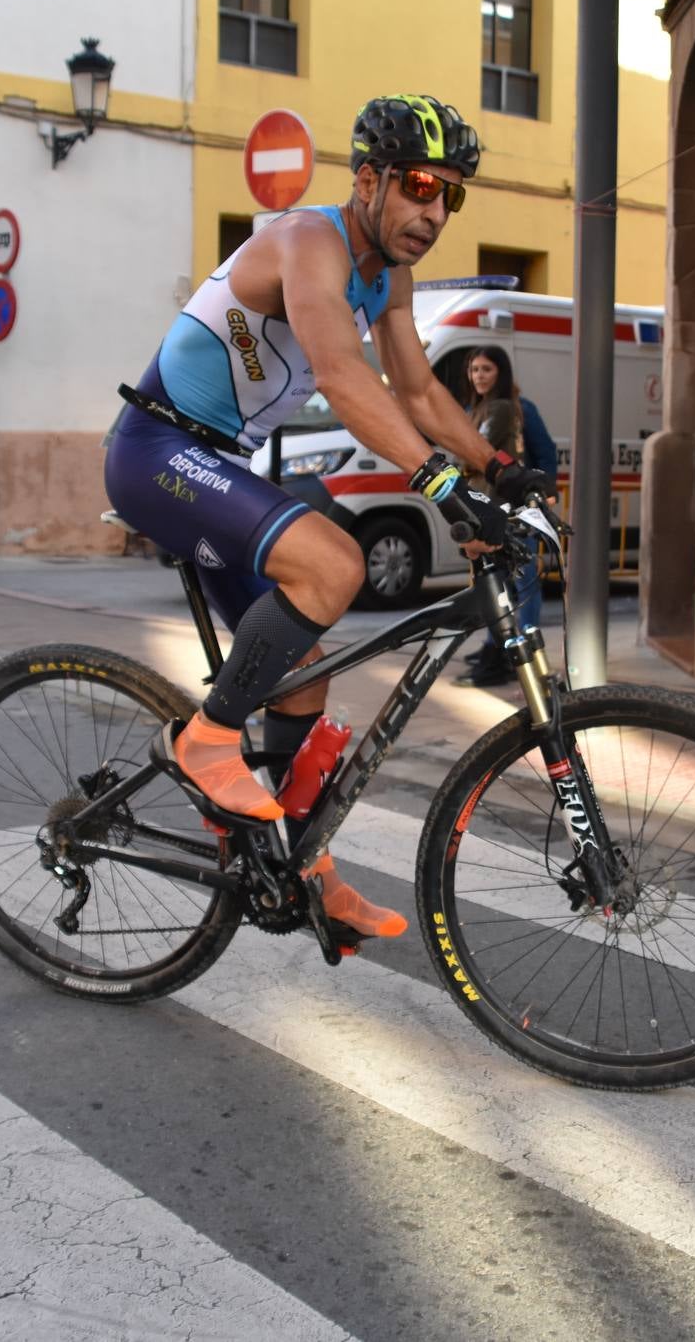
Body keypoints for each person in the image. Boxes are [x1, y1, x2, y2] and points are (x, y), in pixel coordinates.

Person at [103, 94, 550, 948]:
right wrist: (441, 483)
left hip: (220, 466)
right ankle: (204, 743)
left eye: (449, 195)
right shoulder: (309, 241)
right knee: (335, 565)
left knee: (302, 673)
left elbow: (418, 391)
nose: (432, 211)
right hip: (157, 449)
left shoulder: (386, 275)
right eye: (419, 186)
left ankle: (292, 866)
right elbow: (346, 379)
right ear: (371, 180)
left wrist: (500, 469)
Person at [455, 346, 558, 688]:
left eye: (486, 369)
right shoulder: (475, 409)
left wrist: (543, 491)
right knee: (494, 581)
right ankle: (495, 645)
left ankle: (523, 649)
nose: (479, 376)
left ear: (501, 372)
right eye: (474, 369)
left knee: (523, 580)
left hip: (513, 508)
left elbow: (543, 452)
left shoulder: (515, 409)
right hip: (486, 504)